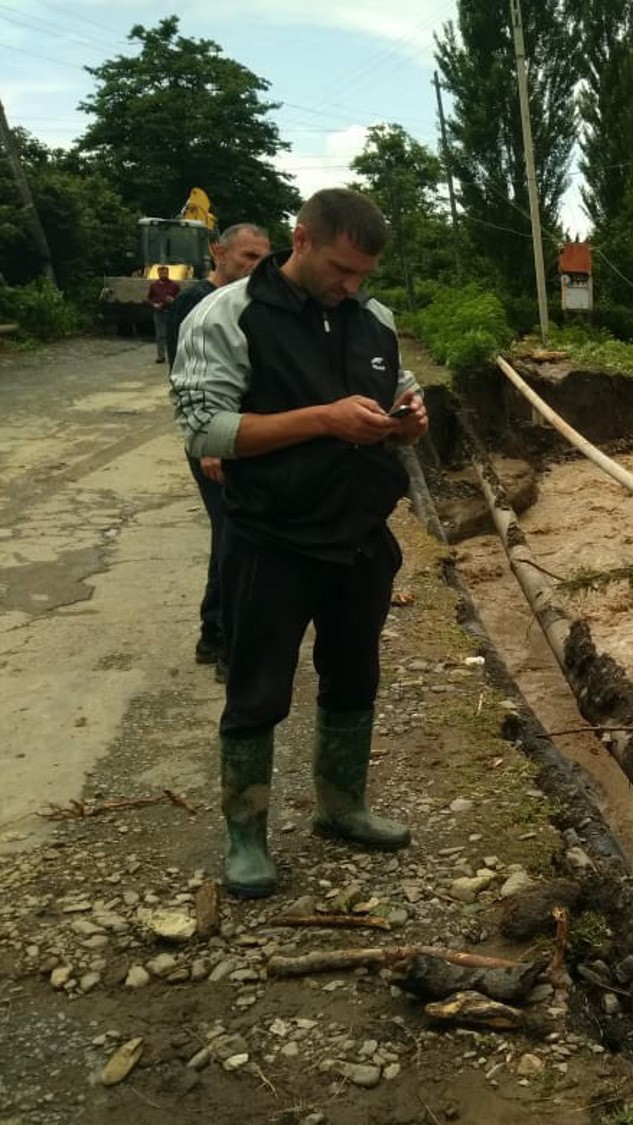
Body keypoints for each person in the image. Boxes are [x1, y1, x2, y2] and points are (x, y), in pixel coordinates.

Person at [170, 188, 428, 899]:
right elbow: (206, 431)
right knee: (258, 688)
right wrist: (323, 419)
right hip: (270, 539)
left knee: (354, 676)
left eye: (363, 275)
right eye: (342, 269)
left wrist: (410, 417)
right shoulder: (227, 315)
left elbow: (401, 390)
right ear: (302, 240)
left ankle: (342, 807)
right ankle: (246, 834)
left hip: (359, 537)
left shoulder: (374, 320)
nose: (352, 286)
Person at [165, 223, 273, 680]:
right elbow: (186, 378)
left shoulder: (251, 304)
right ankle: (226, 640)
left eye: (262, 259)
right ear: (218, 252)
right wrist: (212, 450)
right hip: (216, 440)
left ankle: (214, 632)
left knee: (234, 533)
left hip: (244, 434)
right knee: (233, 537)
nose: (256, 267)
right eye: (247, 257)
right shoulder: (197, 304)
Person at [147, 266, 179, 363]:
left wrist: (173, 301)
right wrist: (154, 304)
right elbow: (149, 298)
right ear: (158, 274)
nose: (163, 275)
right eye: (161, 273)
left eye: (165, 273)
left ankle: (173, 356)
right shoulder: (154, 286)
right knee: (160, 336)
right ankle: (161, 356)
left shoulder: (174, 285)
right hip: (158, 313)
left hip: (170, 313)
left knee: (171, 335)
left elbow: (180, 298)